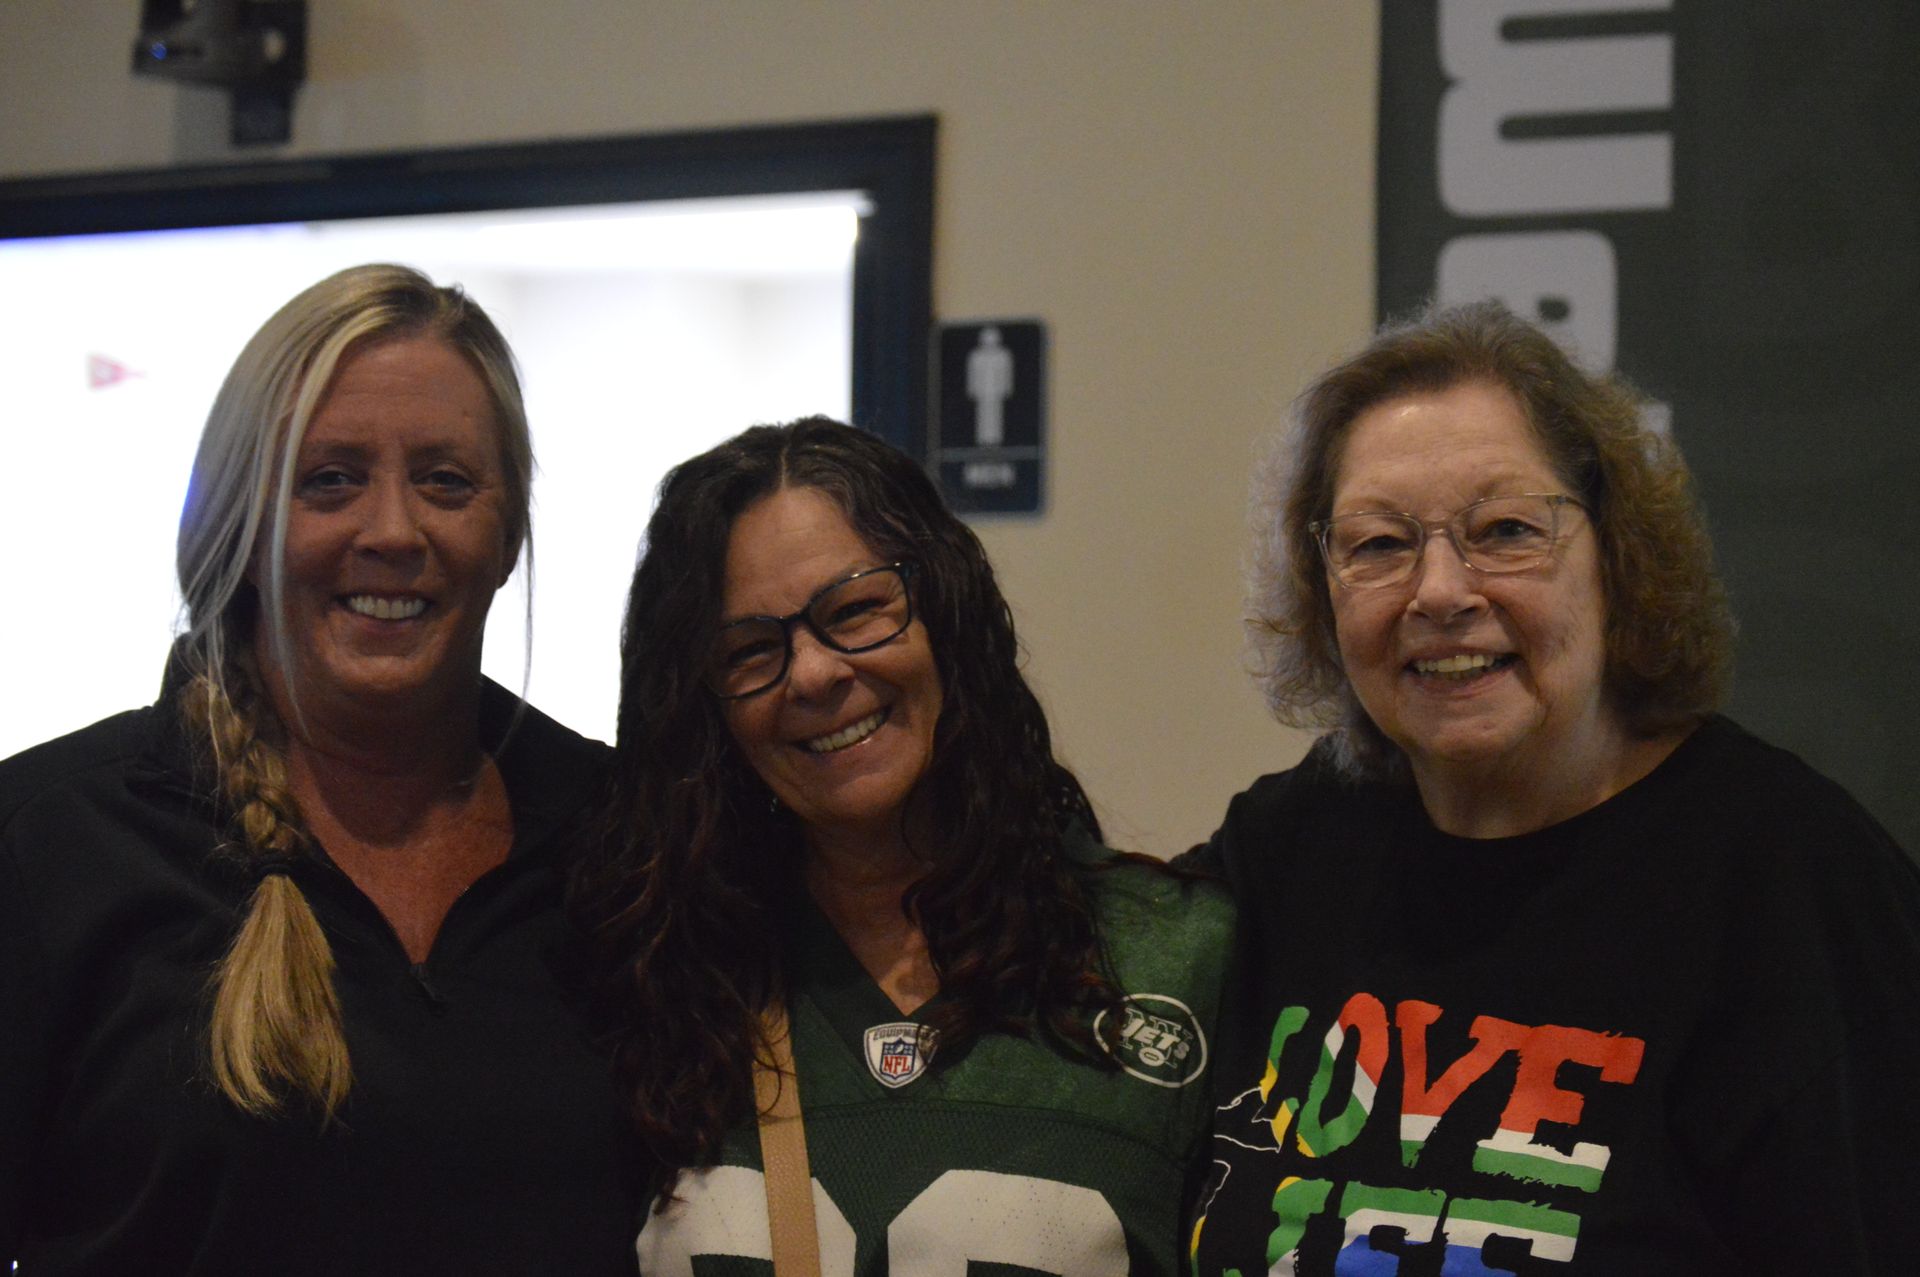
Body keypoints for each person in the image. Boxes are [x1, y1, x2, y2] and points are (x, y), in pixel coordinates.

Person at [1184, 300, 1920, 1275]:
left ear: (1617, 556)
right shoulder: (1290, 846)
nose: (1440, 590)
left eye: (1505, 528)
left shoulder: (1793, 886)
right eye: (1378, 544)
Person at [0, 264, 639, 1275]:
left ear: (507, 530)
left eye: (445, 480)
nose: (392, 531)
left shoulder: (624, 843)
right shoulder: (49, 842)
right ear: (242, 529)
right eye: (330, 478)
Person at [573, 416, 1229, 1274]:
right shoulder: (660, 983)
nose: (812, 673)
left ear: (946, 614)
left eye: (855, 609)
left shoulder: (1180, 955)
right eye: (749, 651)